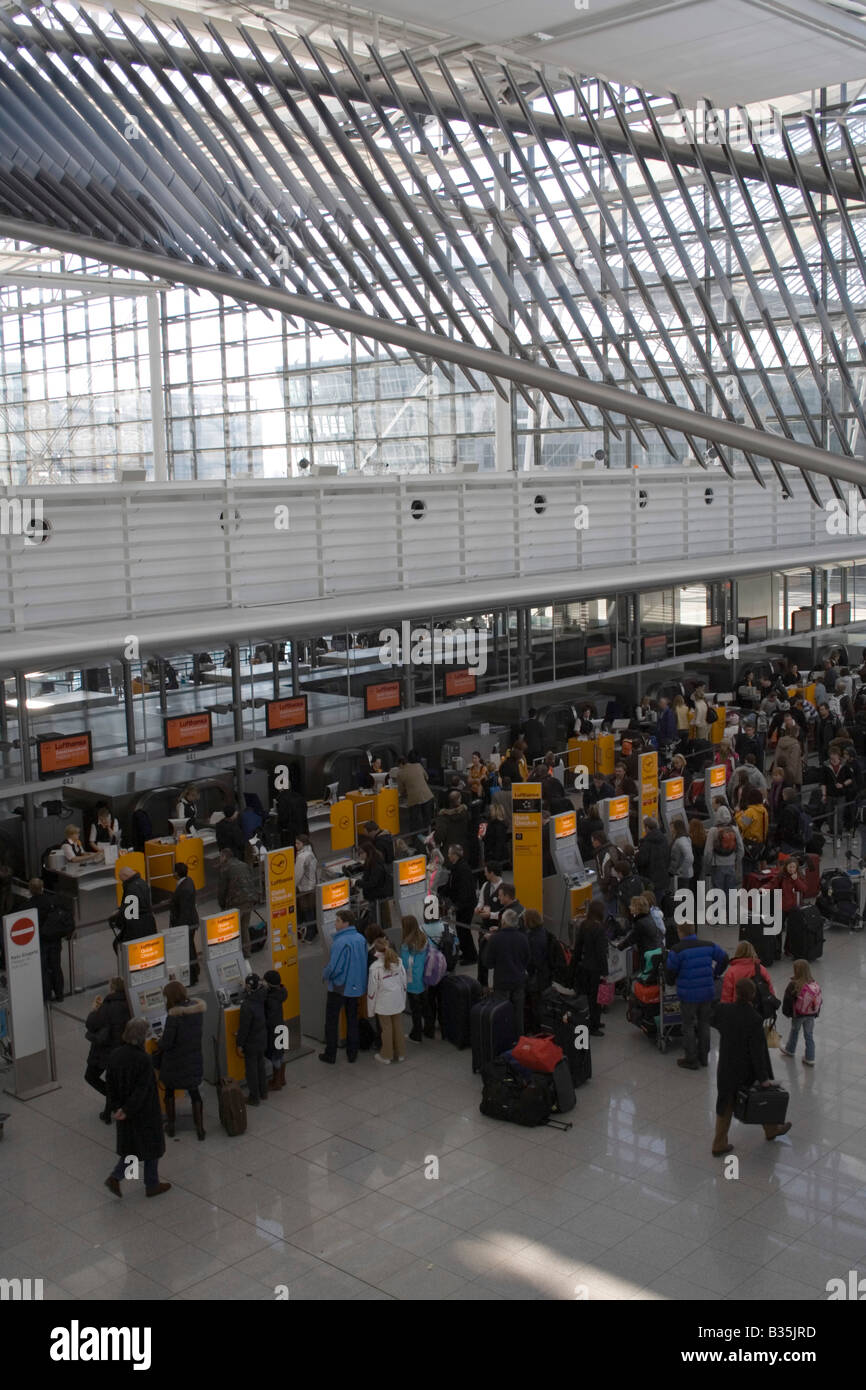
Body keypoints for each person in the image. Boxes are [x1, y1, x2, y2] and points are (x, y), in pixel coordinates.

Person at [710, 977, 792, 1155]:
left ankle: (719, 1143)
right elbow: (757, 1052)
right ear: (752, 995)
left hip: (725, 1066)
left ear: (736, 993)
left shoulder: (724, 1010)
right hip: (745, 1070)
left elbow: (712, 1019)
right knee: (763, 1097)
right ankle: (772, 1129)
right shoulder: (754, 1019)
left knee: (725, 1103)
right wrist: (763, 1078)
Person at [104, 1018, 171, 1199]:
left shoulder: (115, 1055)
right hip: (144, 1112)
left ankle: (116, 1177)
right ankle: (152, 1184)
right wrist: (128, 1109)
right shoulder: (143, 1059)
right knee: (152, 1148)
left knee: (131, 1149)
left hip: (124, 1113)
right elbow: (143, 1090)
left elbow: (109, 1084)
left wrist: (118, 1108)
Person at [665, 921, 729, 1070]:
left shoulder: (677, 950)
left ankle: (691, 1059)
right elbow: (724, 958)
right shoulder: (708, 945)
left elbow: (670, 972)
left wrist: (671, 981)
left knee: (688, 1025)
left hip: (688, 994)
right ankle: (704, 1057)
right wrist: (716, 973)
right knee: (704, 1023)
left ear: (680, 933)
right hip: (707, 992)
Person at [153, 980, 206, 1140]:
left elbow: (167, 1043)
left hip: (175, 1063)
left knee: (169, 1091)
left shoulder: (173, 1017)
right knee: (194, 1092)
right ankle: (200, 1128)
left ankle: (171, 1126)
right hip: (194, 1059)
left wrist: (158, 1041)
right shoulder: (196, 1011)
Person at [320, 908, 368, 1065]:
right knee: (352, 1019)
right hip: (356, 986)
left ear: (346, 923)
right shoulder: (361, 938)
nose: (335, 923)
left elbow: (335, 967)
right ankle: (352, 1053)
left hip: (340, 987)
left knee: (332, 1020)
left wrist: (325, 975)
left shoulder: (340, 942)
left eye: (338, 920)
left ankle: (330, 1053)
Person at [84, 977, 130, 1123]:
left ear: (113, 988)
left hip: (105, 1051)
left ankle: (115, 1104)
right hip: (122, 1050)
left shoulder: (108, 1006)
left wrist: (94, 1010)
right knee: (112, 1081)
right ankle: (110, 1109)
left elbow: (91, 1024)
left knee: (91, 1076)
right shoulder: (128, 1003)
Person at [20, 876, 73, 1002]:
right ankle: (60, 994)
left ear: (30, 890)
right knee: (56, 966)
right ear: (42, 888)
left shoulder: (28, 906)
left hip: (40, 941)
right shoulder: (52, 901)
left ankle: (46, 996)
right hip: (54, 939)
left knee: (43, 969)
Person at [484, 907, 530, 1030]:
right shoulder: (523, 938)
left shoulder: (495, 939)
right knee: (518, 1015)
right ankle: (519, 1041)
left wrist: (488, 943)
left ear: (503, 922)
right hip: (519, 982)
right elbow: (527, 959)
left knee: (501, 1014)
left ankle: (503, 1041)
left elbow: (488, 963)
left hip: (502, 983)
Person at [571, 899, 610, 1036]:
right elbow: (601, 953)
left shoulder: (584, 925)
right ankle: (594, 1025)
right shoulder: (599, 929)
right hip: (595, 969)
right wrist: (605, 971)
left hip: (585, 966)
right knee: (596, 999)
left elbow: (578, 948)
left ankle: (594, 1021)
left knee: (589, 998)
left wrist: (573, 965)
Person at [367, 938, 408, 1064]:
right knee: (398, 1026)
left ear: (376, 952)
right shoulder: (399, 962)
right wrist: (403, 999)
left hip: (383, 1004)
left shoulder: (374, 968)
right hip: (398, 1000)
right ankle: (401, 1054)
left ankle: (386, 1055)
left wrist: (370, 1011)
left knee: (386, 1029)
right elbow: (404, 982)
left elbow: (372, 992)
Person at [779, 959, 822, 1066]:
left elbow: (788, 1001)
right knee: (809, 1035)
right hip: (811, 1015)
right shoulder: (814, 984)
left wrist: (787, 1013)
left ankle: (790, 1049)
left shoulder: (794, 984)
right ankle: (810, 1057)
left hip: (798, 1014)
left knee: (795, 1031)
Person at [217, 847, 258, 958]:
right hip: (249, 899)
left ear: (224, 857)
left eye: (220, 857)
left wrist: (222, 904)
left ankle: (233, 952)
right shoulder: (243, 864)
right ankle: (246, 951)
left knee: (232, 929)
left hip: (236, 902)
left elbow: (222, 889)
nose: (220, 859)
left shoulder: (225, 868)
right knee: (244, 927)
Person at [236, 973, 269, 1106]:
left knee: (251, 1070)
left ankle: (254, 1097)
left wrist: (239, 1044)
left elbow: (244, 1028)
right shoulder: (262, 996)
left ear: (249, 986)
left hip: (251, 1042)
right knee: (261, 1066)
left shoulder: (247, 1005)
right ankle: (263, 1092)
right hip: (262, 1038)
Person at [443, 843, 478, 964]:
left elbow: (464, 890)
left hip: (465, 905)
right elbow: (452, 885)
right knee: (461, 929)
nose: (448, 856)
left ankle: (471, 956)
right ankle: (466, 952)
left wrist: (457, 905)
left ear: (454, 855)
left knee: (464, 930)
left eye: (449, 853)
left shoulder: (462, 869)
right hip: (463, 904)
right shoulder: (457, 867)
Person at [400, 915, 432, 1042]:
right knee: (426, 1006)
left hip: (412, 980)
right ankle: (429, 1031)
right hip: (424, 977)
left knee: (415, 1009)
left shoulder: (406, 945)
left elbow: (405, 963)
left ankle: (416, 1034)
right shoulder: (423, 938)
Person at [169, 860, 199, 985]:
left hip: (186, 924)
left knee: (188, 951)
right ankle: (195, 971)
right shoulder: (188, 881)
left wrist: (180, 929)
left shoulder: (184, 889)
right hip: (190, 921)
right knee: (190, 948)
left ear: (177, 873)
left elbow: (185, 911)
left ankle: (192, 977)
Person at [112, 866, 157, 948]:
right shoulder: (143, 882)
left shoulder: (131, 889)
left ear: (125, 876)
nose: (122, 882)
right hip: (149, 922)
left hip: (136, 928)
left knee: (117, 944)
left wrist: (117, 921)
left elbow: (129, 913)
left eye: (122, 880)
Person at [522, 909, 551, 1032]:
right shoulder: (544, 932)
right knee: (541, 1002)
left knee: (535, 1004)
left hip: (536, 977)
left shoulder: (531, 937)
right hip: (545, 974)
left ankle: (536, 1029)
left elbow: (533, 961)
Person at [703, 806, 744, 893]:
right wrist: (736, 860)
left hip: (717, 865)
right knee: (731, 891)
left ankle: (719, 907)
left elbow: (708, 852)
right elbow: (740, 848)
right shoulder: (734, 829)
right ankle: (730, 906)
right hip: (731, 864)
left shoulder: (713, 831)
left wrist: (708, 865)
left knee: (718, 892)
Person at [395, 751, 434, 833]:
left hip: (414, 798)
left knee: (414, 820)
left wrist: (405, 793)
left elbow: (401, 790)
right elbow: (427, 777)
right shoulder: (418, 765)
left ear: (400, 764)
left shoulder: (400, 773)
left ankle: (414, 838)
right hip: (427, 795)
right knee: (427, 819)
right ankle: (428, 835)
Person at [264, 969, 289, 1090]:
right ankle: (282, 1079)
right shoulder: (282, 992)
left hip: (274, 1031)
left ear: (269, 984)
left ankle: (276, 1082)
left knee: (275, 1056)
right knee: (281, 1053)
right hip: (282, 1027)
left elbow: (269, 1019)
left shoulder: (270, 999)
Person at [636, 816, 671, 900]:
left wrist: (636, 855)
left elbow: (641, 861)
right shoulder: (663, 839)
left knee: (652, 903)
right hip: (663, 877)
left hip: (651, 880)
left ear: (647, 827)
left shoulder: (647, 843)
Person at [359, 841, 389, 923]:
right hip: (376, 896)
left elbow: (372, 883)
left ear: (367, 852)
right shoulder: (374, 861)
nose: (360, 855)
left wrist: (358, 883)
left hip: (376, 897)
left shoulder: (374, 864)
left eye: (361, 853)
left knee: (377, 919)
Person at [734, 788, 768, 859]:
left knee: (748, 865)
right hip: (760, 842)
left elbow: (742, 825)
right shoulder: (764, 810)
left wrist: (738, 814)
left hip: (750, 842)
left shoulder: (750, 811)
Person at [294, 834, 318, 936]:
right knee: (312, 910)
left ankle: (310, 934)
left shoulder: (302, 857)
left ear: (303, 844)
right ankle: (315, 931)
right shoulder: (311, 852)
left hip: (304, 887)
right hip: (312, 885)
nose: (296, 845)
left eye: (298, 843)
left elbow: (298, 874)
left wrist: (293, 885)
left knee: (307, 911)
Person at [435, 790, 471, 855]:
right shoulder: (465, 813)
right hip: (463, 849)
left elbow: (439, 835)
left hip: (449, 851)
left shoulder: (443, 817)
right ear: (459, 800)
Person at [275, 781, 309, 847]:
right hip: (303, 830)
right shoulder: (299, 796)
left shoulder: (281, 798)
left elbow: (283, 818)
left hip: (290, 834)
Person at [669, 817, 694, 889]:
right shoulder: (682, 838)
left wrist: (680, 871)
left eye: (672, 827)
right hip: (681, 874)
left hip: (682, 876)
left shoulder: (681, 840)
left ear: (677, 828)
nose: (671, 830)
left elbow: (689, 857)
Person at [483, 800, 509, 865]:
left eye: (491, 810)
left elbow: (498, 842)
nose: (489, 812)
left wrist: (495, 857)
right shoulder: (498, 824)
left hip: (494, 855)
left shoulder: (497, 825)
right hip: (495, 854)